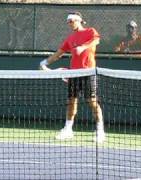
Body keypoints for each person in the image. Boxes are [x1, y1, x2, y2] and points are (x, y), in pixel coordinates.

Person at [39, 12, 105, 143]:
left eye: (71, 20)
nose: (69, 23)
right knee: (71, 102)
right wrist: (45, 62)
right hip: (73, 74)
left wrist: (83, 47)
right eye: (68, 21)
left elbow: (96, 41)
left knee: (92, 102)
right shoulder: (70, 38)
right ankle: (68, 130)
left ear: (78, 20)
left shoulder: (90, 31)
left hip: (88, 72)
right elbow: (59, 53)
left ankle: (100, 131)